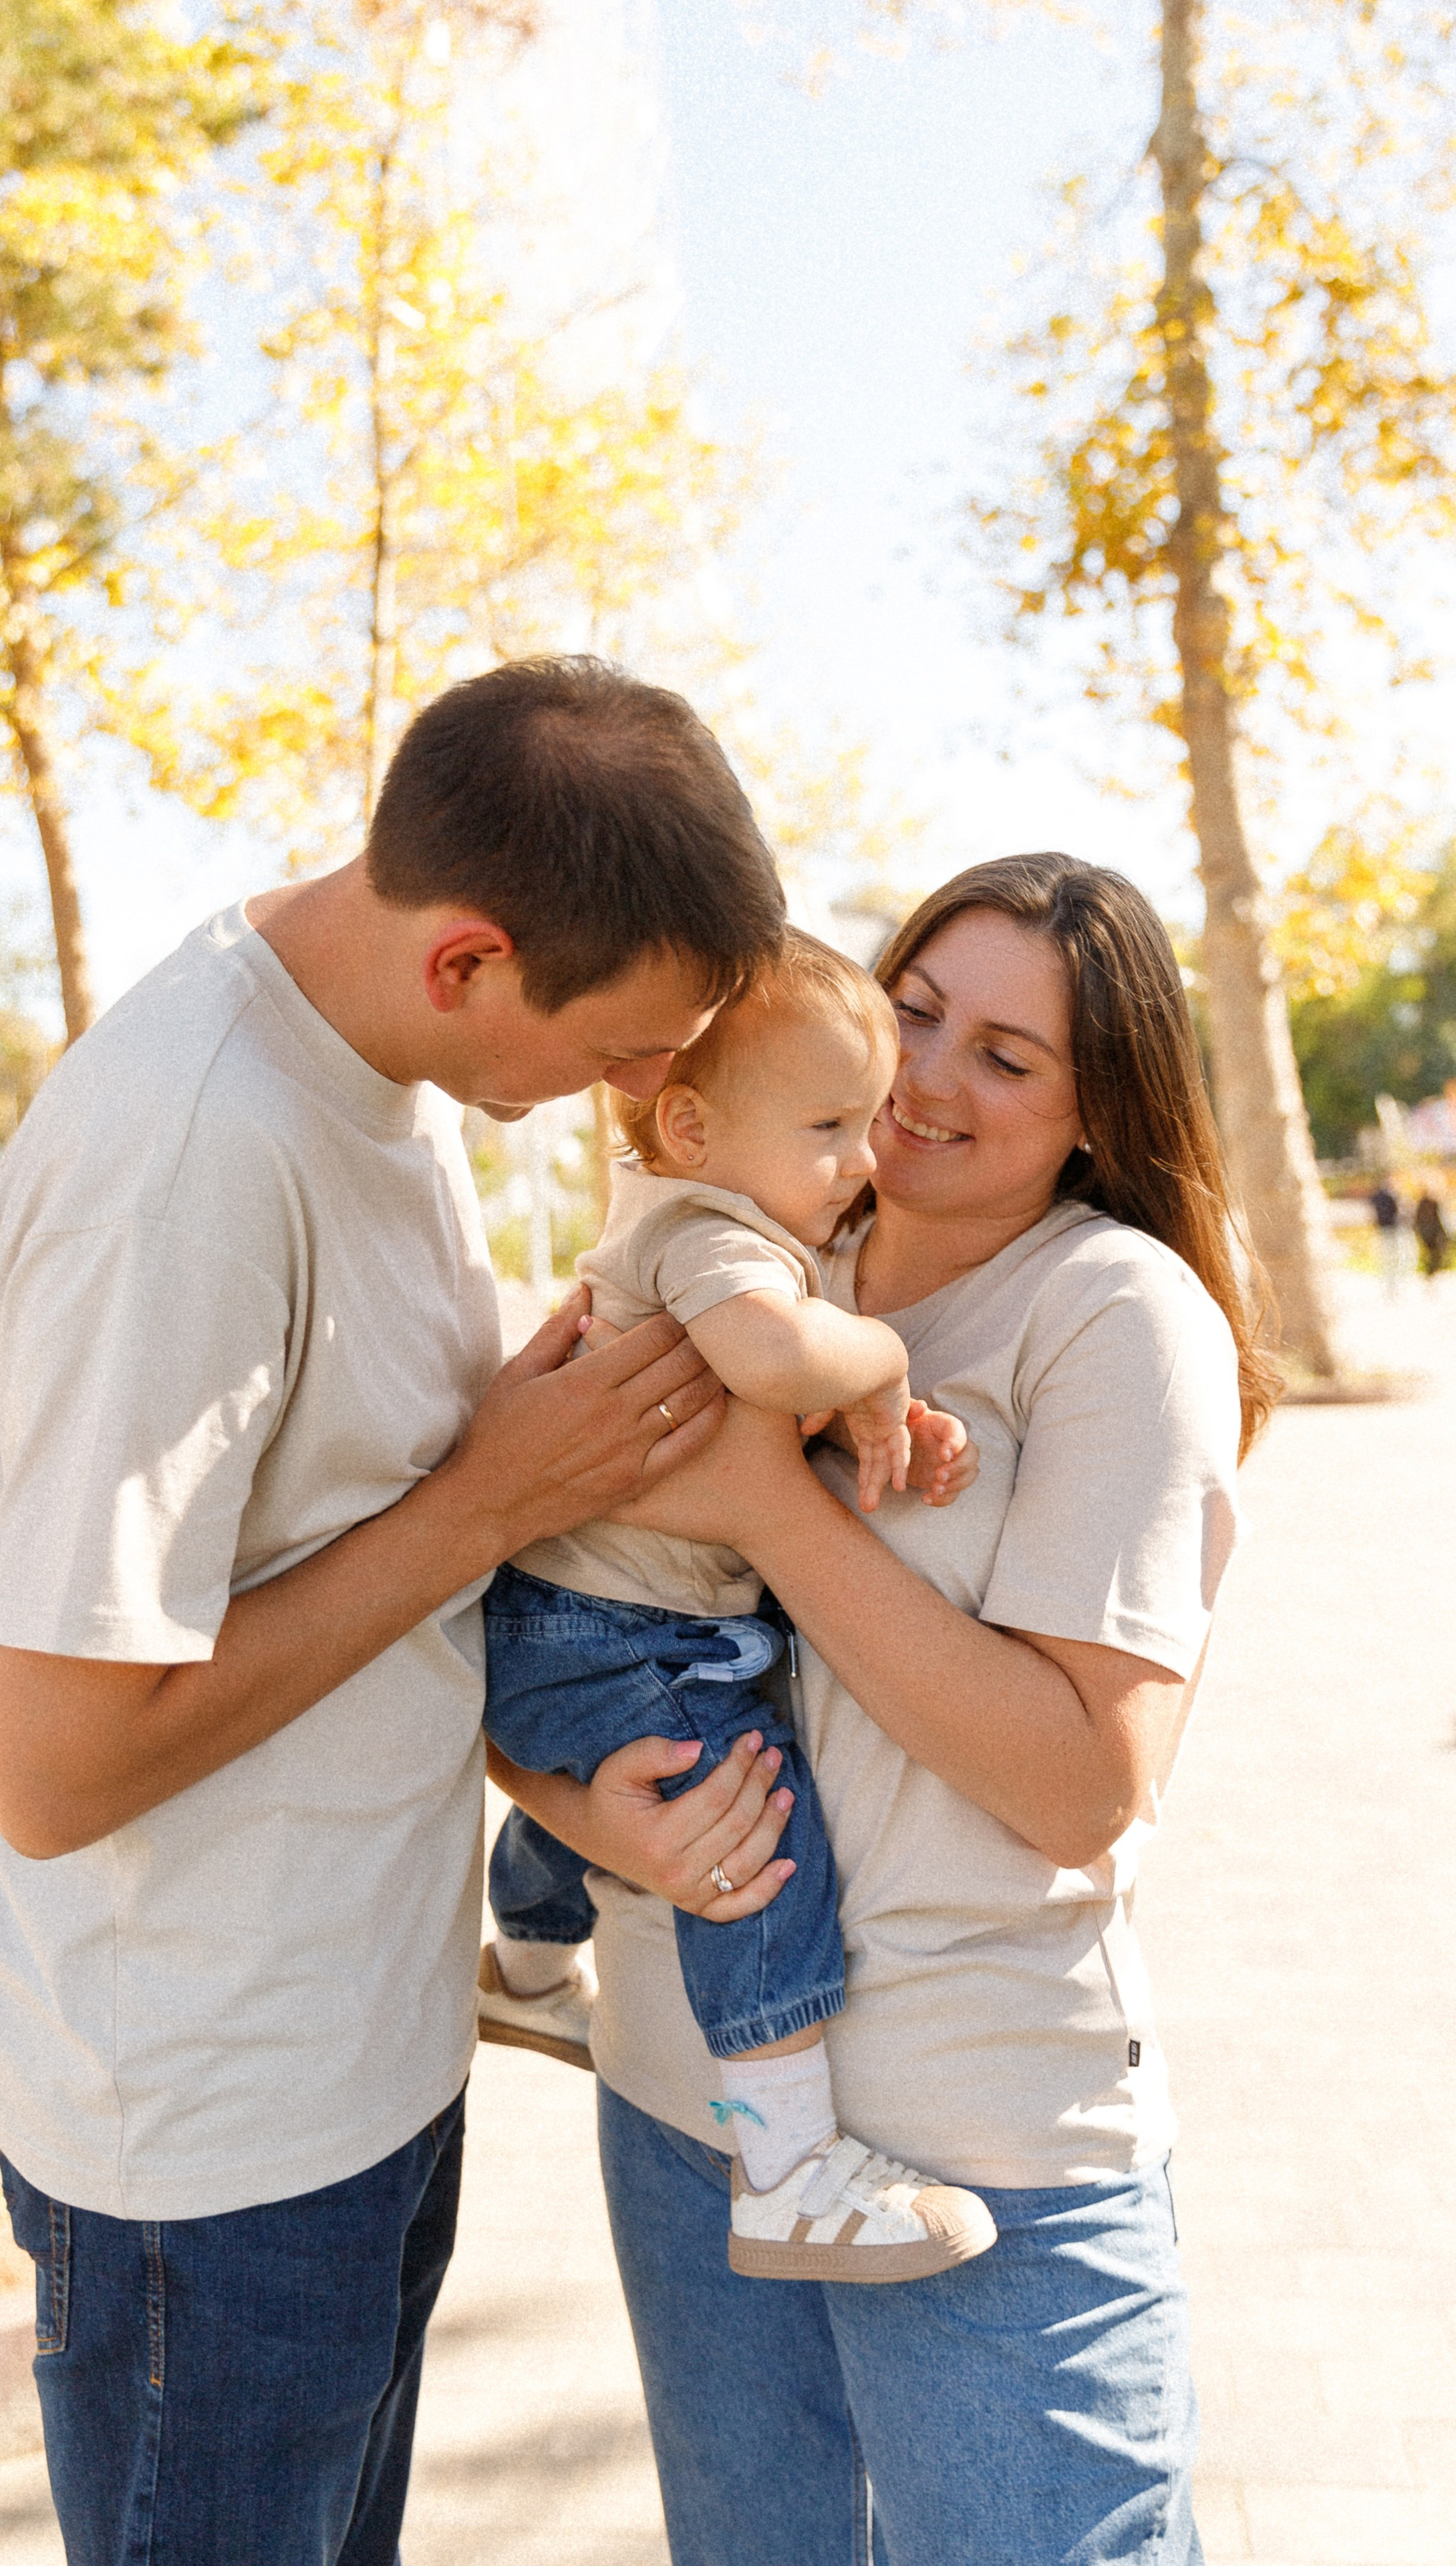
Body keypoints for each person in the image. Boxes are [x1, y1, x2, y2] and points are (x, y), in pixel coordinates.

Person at [0, 656, 802, 2566]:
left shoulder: (390, 1084)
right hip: (206, 2141)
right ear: (470, 959)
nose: (652, 1093)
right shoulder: (193, 1164)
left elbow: (365, 1526)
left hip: (353, 2058)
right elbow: (55, 1764)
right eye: (623, 1049)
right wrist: (495, 1492)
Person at [489, 852, 1276, 2566]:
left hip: (975, 2148)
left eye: (1008, 1054)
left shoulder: (1112, 1315)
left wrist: (772, 1507)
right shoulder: (745, 1253)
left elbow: (1082, 1784)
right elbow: (522, 1566)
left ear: (1092, 1114)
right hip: (692, 2110)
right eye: (916, 1009)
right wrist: (570, 1807)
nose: (925, 1075)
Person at [478, 931, 993, 2283]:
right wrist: (878, 1356)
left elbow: (760, 1401)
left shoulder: (717, 1225)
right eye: (826, 1126)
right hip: (618, 1630)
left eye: (864, 1124)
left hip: (567, 1616)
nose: (863, 1158)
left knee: (618, 1780)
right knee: (749, 1838)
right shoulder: (708, 1230)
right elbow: (769, 1357)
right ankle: (784, 2168)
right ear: (691, 1125)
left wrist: (878, 1419)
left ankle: (525, 1970)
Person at [1370, 1179, 1409, 1296]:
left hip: (1389, 1229)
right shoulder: (1386, 1197)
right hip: (1390, 1229)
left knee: (1393, 1259)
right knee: (1393, 1259)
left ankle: (1393, 1287)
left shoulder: (1381, 1196)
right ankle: (1392, 1287)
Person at [1413, 1184, 1449, 1281]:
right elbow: (1417, 1219)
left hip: (1433, 1232)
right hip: (1427, 1232)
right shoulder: (1422, 1204)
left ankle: (1431, 1271)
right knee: (1431, 1253)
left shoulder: (1433, 1203)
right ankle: (1430, 1271)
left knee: (1435, 1253)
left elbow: (1438, 1219)